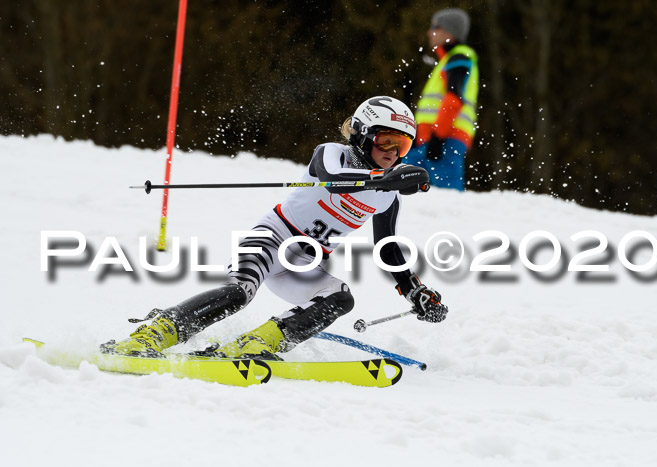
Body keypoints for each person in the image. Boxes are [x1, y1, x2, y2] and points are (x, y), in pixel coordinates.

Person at [101, 96, 449, 360]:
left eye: (401, 145)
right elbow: (333, 180)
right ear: (361, 135)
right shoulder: (330, 154)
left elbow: (386, 249)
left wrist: (414, 290)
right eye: (385, 140)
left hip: (302, 265)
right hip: (270, 240)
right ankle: (155, 333)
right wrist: (386, 180)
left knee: (341, 297)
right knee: (239, 292)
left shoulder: (388, 197)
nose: (392, 151)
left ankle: (256, 343)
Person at [402, 8, 479, 191]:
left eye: (436, 27)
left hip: (446, 138)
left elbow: (454, 99)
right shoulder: (447, 60)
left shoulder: (460, 57)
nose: (430, 32)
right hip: (431, 138)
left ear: (450, 32)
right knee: (402, 186)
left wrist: (438, 137)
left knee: (447, 197)